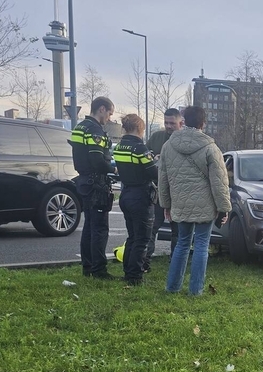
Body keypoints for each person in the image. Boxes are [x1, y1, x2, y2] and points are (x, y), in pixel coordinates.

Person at [158, 106, 231, 296]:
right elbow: (219, 181)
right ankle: (195, 290)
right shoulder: (210, 148)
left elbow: (162, 178)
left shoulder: (168, 146)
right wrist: (223, 209)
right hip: (204, 205)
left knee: (182, 243)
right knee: (201, 245)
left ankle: (172, 287)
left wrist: (166, 204)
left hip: (180, 203)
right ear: (202, 123)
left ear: (183, 121)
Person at [69, 97, 116, 280]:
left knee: (89, 227)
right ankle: (99, 270)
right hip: (96, 183)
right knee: (99, 228)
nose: (109, 118)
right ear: (102, 109)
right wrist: (113, 168)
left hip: (84, 181)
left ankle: (87, 267)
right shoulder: (94, 129)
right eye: (109, 114)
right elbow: (97, 160)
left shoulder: (80, 127)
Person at [113, 114, 158, 286]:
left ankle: (128, 271)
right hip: (140, 195)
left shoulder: (119, 147)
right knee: (142, 239)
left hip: (126, 193)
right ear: (140, 128)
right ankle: (135, 277)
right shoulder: (140, 149)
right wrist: (155, 162)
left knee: (132, 237)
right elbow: (153, 174)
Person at [148, 108, 183, 258]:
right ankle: (145, 260)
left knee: (178, 230)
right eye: (166, 123)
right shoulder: (156, 137)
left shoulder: (185, 140)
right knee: (152, 226)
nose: (168, 126)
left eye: (172, 123)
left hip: (178, 191)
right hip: (158, 190)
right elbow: (145, 156)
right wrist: (153, 159)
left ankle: (175, 260)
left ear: (180, 123)